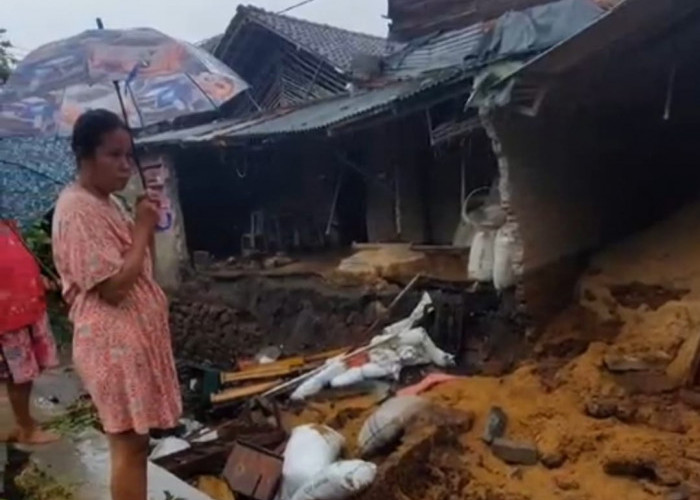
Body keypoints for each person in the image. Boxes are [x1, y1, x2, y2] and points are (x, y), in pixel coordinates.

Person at [52, 109, 182, 500]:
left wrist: (146, 222)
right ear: (84, 155)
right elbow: (114, 288)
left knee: (136, 444)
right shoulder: (77, 210)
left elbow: (141, 270)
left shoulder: (108, 204)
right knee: (128, 445)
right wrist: (142, 227)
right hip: (112, 345)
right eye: (114, 155)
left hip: (131, 340)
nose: (126, 165)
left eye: (129, 155)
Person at [0, 220, 60, 444]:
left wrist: (38, 280)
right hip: (7, 316)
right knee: (18, 376)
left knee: (23, 373)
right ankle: (26, 428)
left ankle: (22, 422)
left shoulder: (8, 223)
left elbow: (18, 260)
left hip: (25, 307)